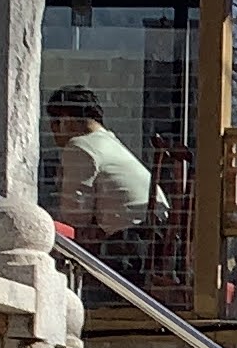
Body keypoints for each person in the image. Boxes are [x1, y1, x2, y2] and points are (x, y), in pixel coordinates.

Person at [43, 86, 160, 239]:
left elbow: (75, 217)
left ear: (66, 120)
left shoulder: (80, 146)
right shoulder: (109, 142)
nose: (53, 132)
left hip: (130, 239)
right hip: (153, 233)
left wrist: (61, 186)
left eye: (54, 123)